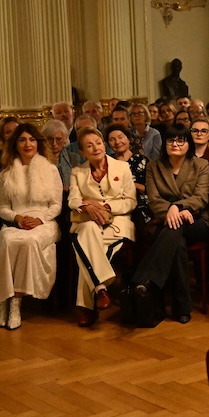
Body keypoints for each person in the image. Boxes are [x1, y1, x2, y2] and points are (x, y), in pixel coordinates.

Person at [132, 124, 209, 325]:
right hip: (164, 220)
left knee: (175, 230)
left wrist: (178, 206)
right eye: (170, 140)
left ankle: (145, 279)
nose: (175, 144)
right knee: (177, 243)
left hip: (195, 220)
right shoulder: (154, 166)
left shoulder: (200, 165)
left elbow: (201, 197)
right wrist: (170, 211)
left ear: (188, 144)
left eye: (180, 140)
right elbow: (153, 198)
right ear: (164, 143)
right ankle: (182, 308)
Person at [0, 123, 61, 330]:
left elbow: (56, 205)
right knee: (8, 240)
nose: (27, 144)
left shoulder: (50, 169)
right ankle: (3, 300)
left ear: (38, 143)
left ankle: (15, 302)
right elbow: (3, 208)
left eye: (31, 139)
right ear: (15, 144)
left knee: (29, 241)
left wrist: (40, 219)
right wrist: (18, 218)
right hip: (16, 222)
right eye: (22, 140)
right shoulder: (6, 174)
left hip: (45, 222)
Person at [69, 127, 137, 327]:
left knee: (85, 250)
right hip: (88, 222)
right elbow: (72, 200)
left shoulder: (122, 168)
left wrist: (106, 207)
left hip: (117, 223)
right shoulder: (77, 172)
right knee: (88, 231)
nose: (96, 148)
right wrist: (87, 206)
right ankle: (101, 288)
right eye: (89, 146)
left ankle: (88, 308)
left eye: (98, 143)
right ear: (82, 152)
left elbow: (130, 201)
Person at [107, 124, 151, 227]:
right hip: (115, 203)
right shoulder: (107, 162)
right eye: (112, 140)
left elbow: (149, 188)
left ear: (128, 139)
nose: (117, 142)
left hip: (140, 203)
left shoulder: (142, 160)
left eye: (120, 137)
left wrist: (129, 185)